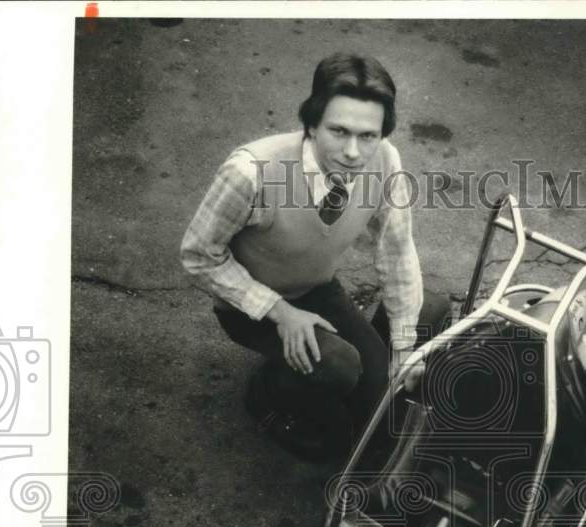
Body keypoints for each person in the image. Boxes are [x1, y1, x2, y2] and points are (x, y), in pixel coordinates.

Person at [181, 52, 450, 460]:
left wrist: (402, 346)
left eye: (368, 136)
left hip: (316, 289)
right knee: (339, 368)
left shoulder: (386, 161)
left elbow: (396, 250)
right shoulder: (250, 172)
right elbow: (199, 256)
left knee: (382, 409)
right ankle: (269, 394)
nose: (354, 153)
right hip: (249, 306)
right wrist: (280, 313)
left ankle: (334, 367)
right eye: (339, 131)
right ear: (311, 124)